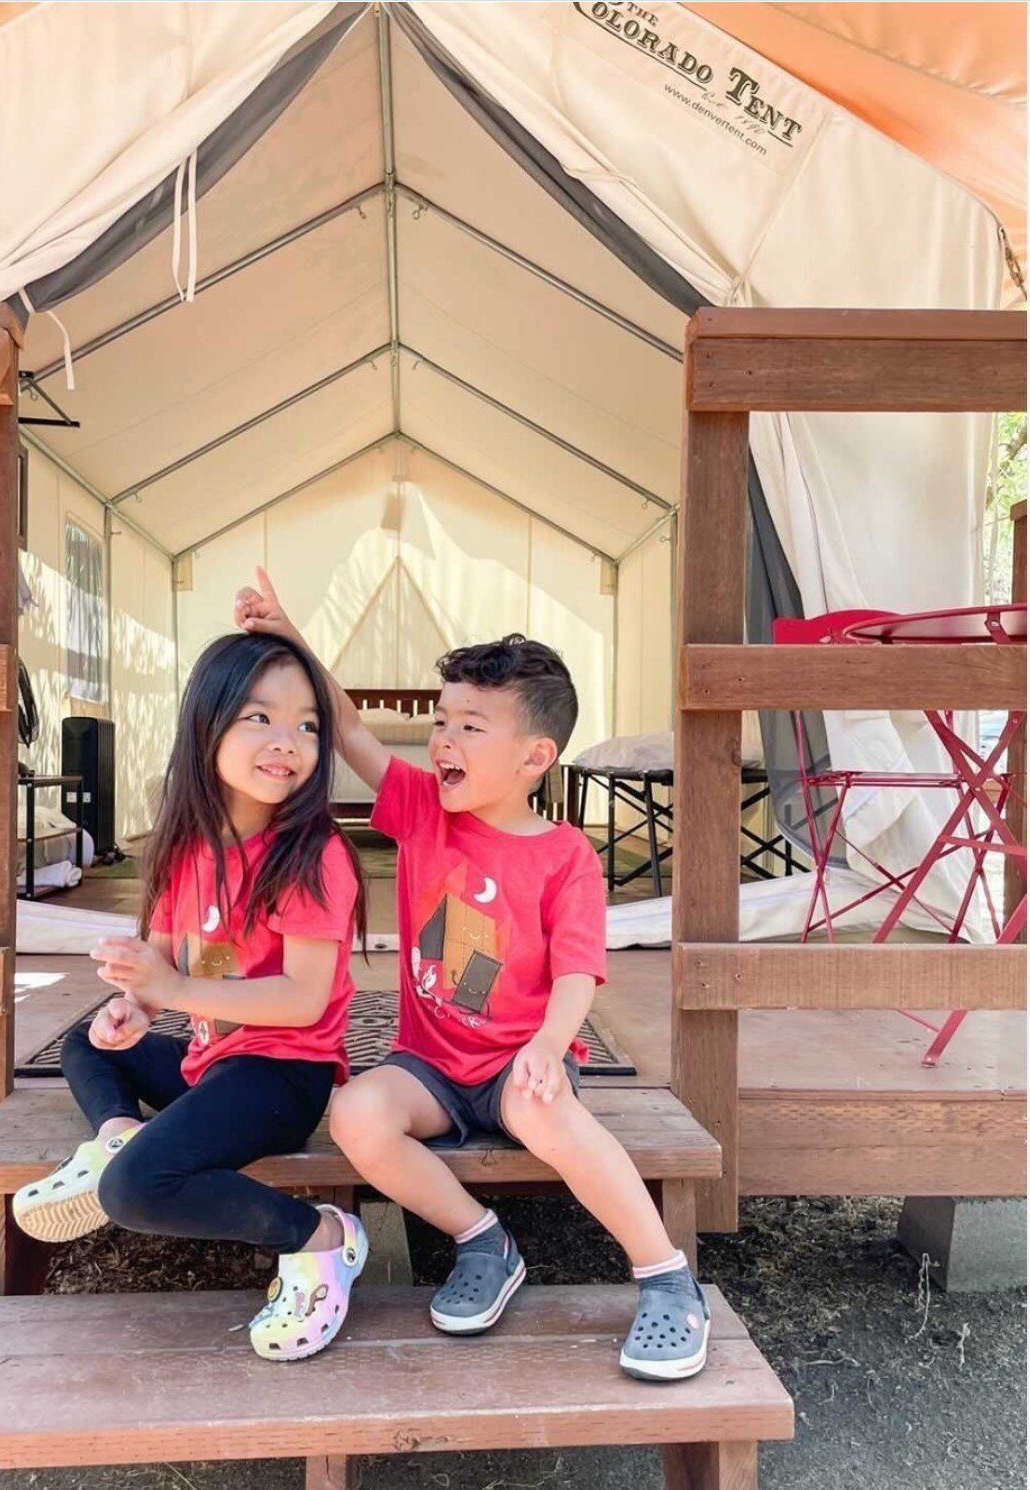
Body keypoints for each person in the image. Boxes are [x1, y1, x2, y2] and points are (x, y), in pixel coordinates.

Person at [234, 569, 710, 1381]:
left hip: (520, 1059)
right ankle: (482, 1239)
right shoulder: (421, 805)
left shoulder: (564, 856)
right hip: (431, 1065)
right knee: (354, 1114)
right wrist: (291, 636)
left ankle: (665, 1275)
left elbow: (577, 972)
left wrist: (550, 1048)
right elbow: (348, 730)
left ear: (535, 756)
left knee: (548, 1112)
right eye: (441, 721)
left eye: (470, 727)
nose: (443, 741)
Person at [12, 631, 369, 1363]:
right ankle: (115, 1132)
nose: (288, 741)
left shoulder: (316, 855)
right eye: (260, 717)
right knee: (84, 1040)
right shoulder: (185, 849)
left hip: (280, 1075)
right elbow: (165, 967)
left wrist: (170, 988)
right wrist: (134, 1009)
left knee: (135, 1191)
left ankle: (321, 1237)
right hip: (214, 1056)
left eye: (307, 725)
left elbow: (305, 1000)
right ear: (207, 724)